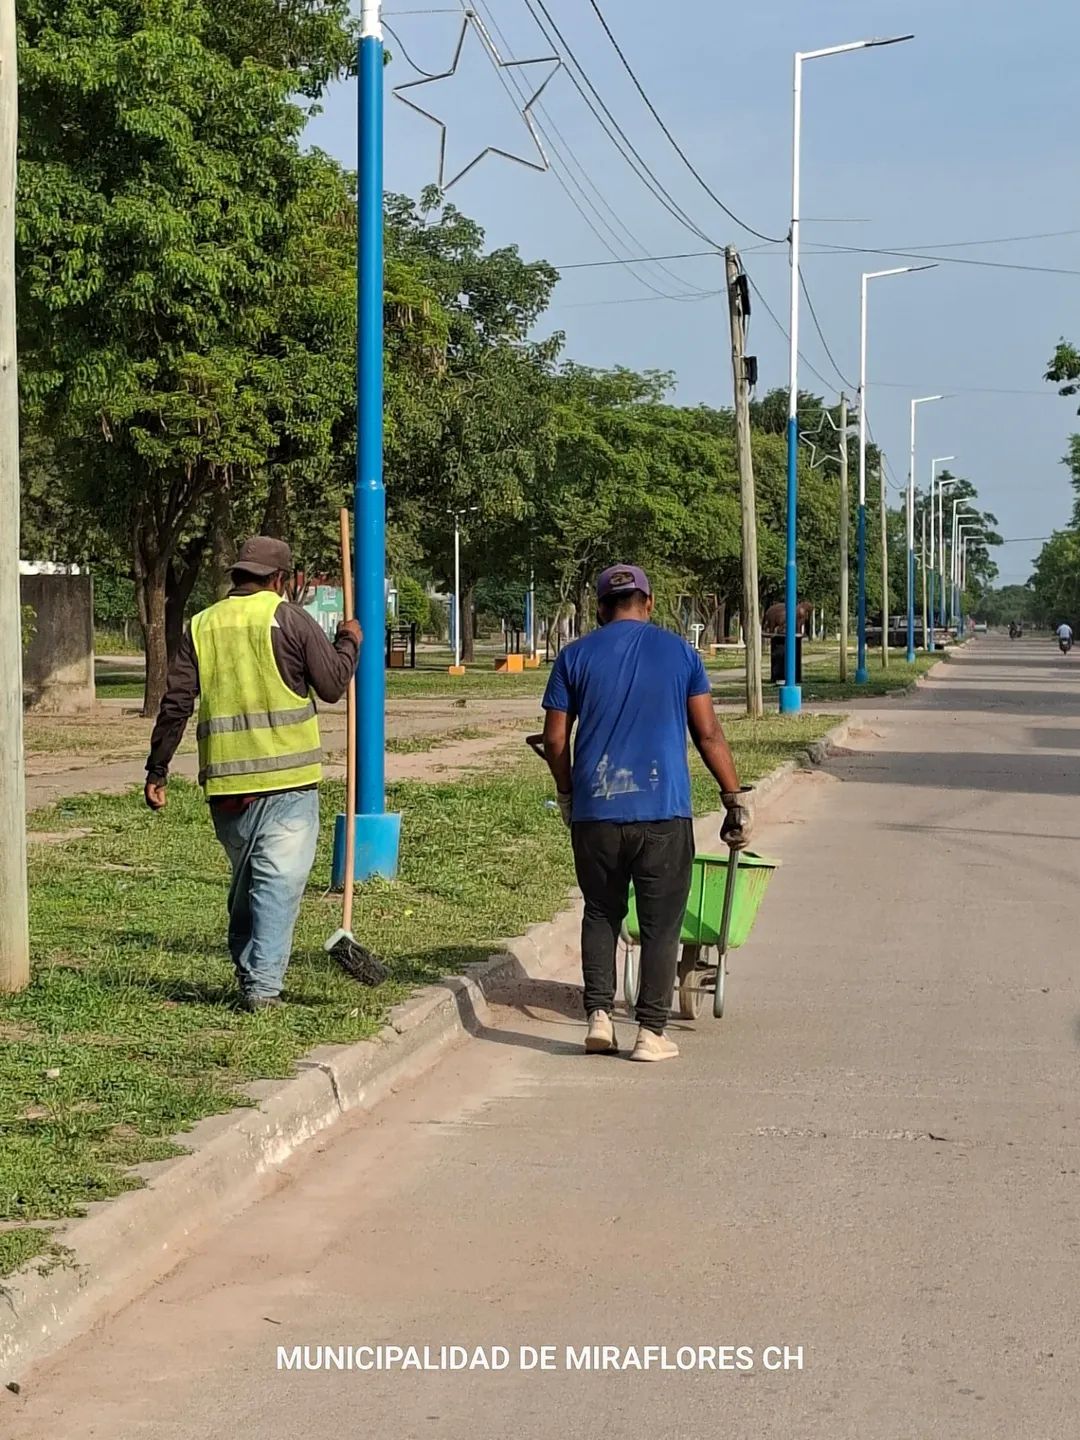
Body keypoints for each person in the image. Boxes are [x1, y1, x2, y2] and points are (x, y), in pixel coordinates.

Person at [540, 564, 753, 1064]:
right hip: (663, 812)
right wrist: (733, 797)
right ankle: (650, 1032)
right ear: (650, 603)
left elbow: (553, 739)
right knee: (661, 923)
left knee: (600, 911)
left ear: (599, 608)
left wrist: (567, 791)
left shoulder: (573, 656)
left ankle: (598, 1017)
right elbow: (708, 734)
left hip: (596, 813)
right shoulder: (681, 653)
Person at [144, 537, 361, 1011]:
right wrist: (350, 641)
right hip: (288, 780)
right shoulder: (289, 618)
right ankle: (262, 990)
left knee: (250, 881)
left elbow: (176, 703)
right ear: (280, 580)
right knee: (276, 885)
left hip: (226, 785)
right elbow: (331, 685)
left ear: (238, 574)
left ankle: (251, 973)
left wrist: (157, 768)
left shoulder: (202, 625)